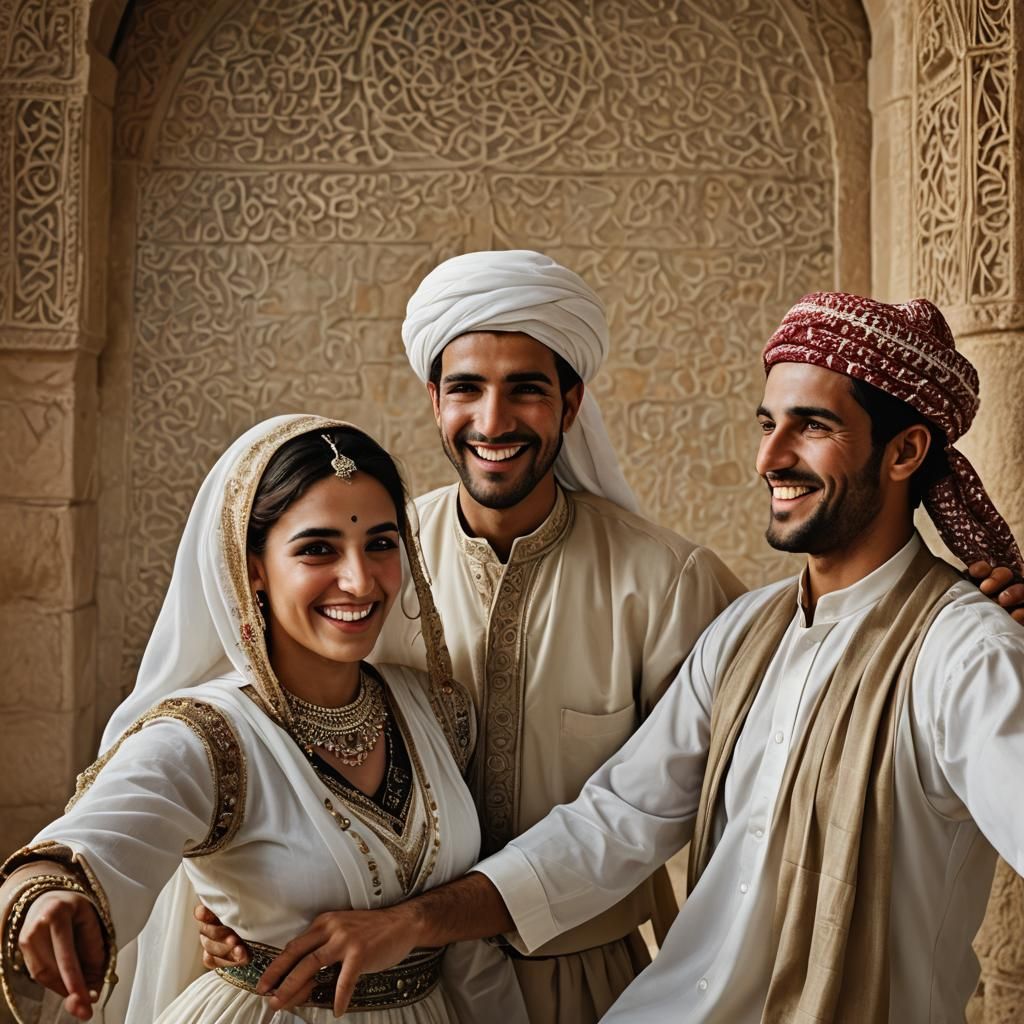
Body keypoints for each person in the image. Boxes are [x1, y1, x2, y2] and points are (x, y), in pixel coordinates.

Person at [234, 294, 1024, 1023]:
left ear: (905, 451)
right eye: (767, 424)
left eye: (812, 427)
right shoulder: (748, 631)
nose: (770, 458)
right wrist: (403, 921)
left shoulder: (964, 657)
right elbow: (615, 824)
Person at [199, 250, 748, 1023]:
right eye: (466, 388)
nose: (492, 422)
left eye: (525, 389)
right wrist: (242, 903)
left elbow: (676, 806)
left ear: (570, 403)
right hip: (383, 992)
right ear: (434, 399)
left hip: (583, 989)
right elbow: (268, 731)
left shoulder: (666, 582)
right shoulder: (377, 563)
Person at [0, 416, 527, 1024]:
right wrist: (43, 892)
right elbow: (93, 840)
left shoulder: (437, 709)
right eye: (318, 549)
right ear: (251, 566)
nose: (359, 579)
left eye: (380, 544)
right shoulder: (210, 736)